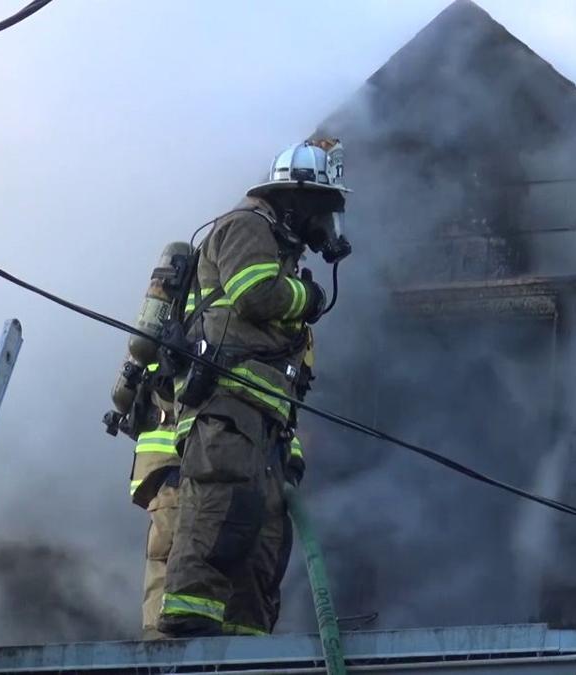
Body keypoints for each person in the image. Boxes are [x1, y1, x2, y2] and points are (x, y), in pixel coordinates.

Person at [151, 139, 350, 638]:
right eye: (322, 208)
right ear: (295, 198)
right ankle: (191, 619)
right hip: (227, 407)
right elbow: (254, 293)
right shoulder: (247, 226)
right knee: (222, 506)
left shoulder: (279, 250)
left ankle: (245, 640)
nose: (325, 225)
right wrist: (309, 295)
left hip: (264, 421)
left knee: (263, 535)